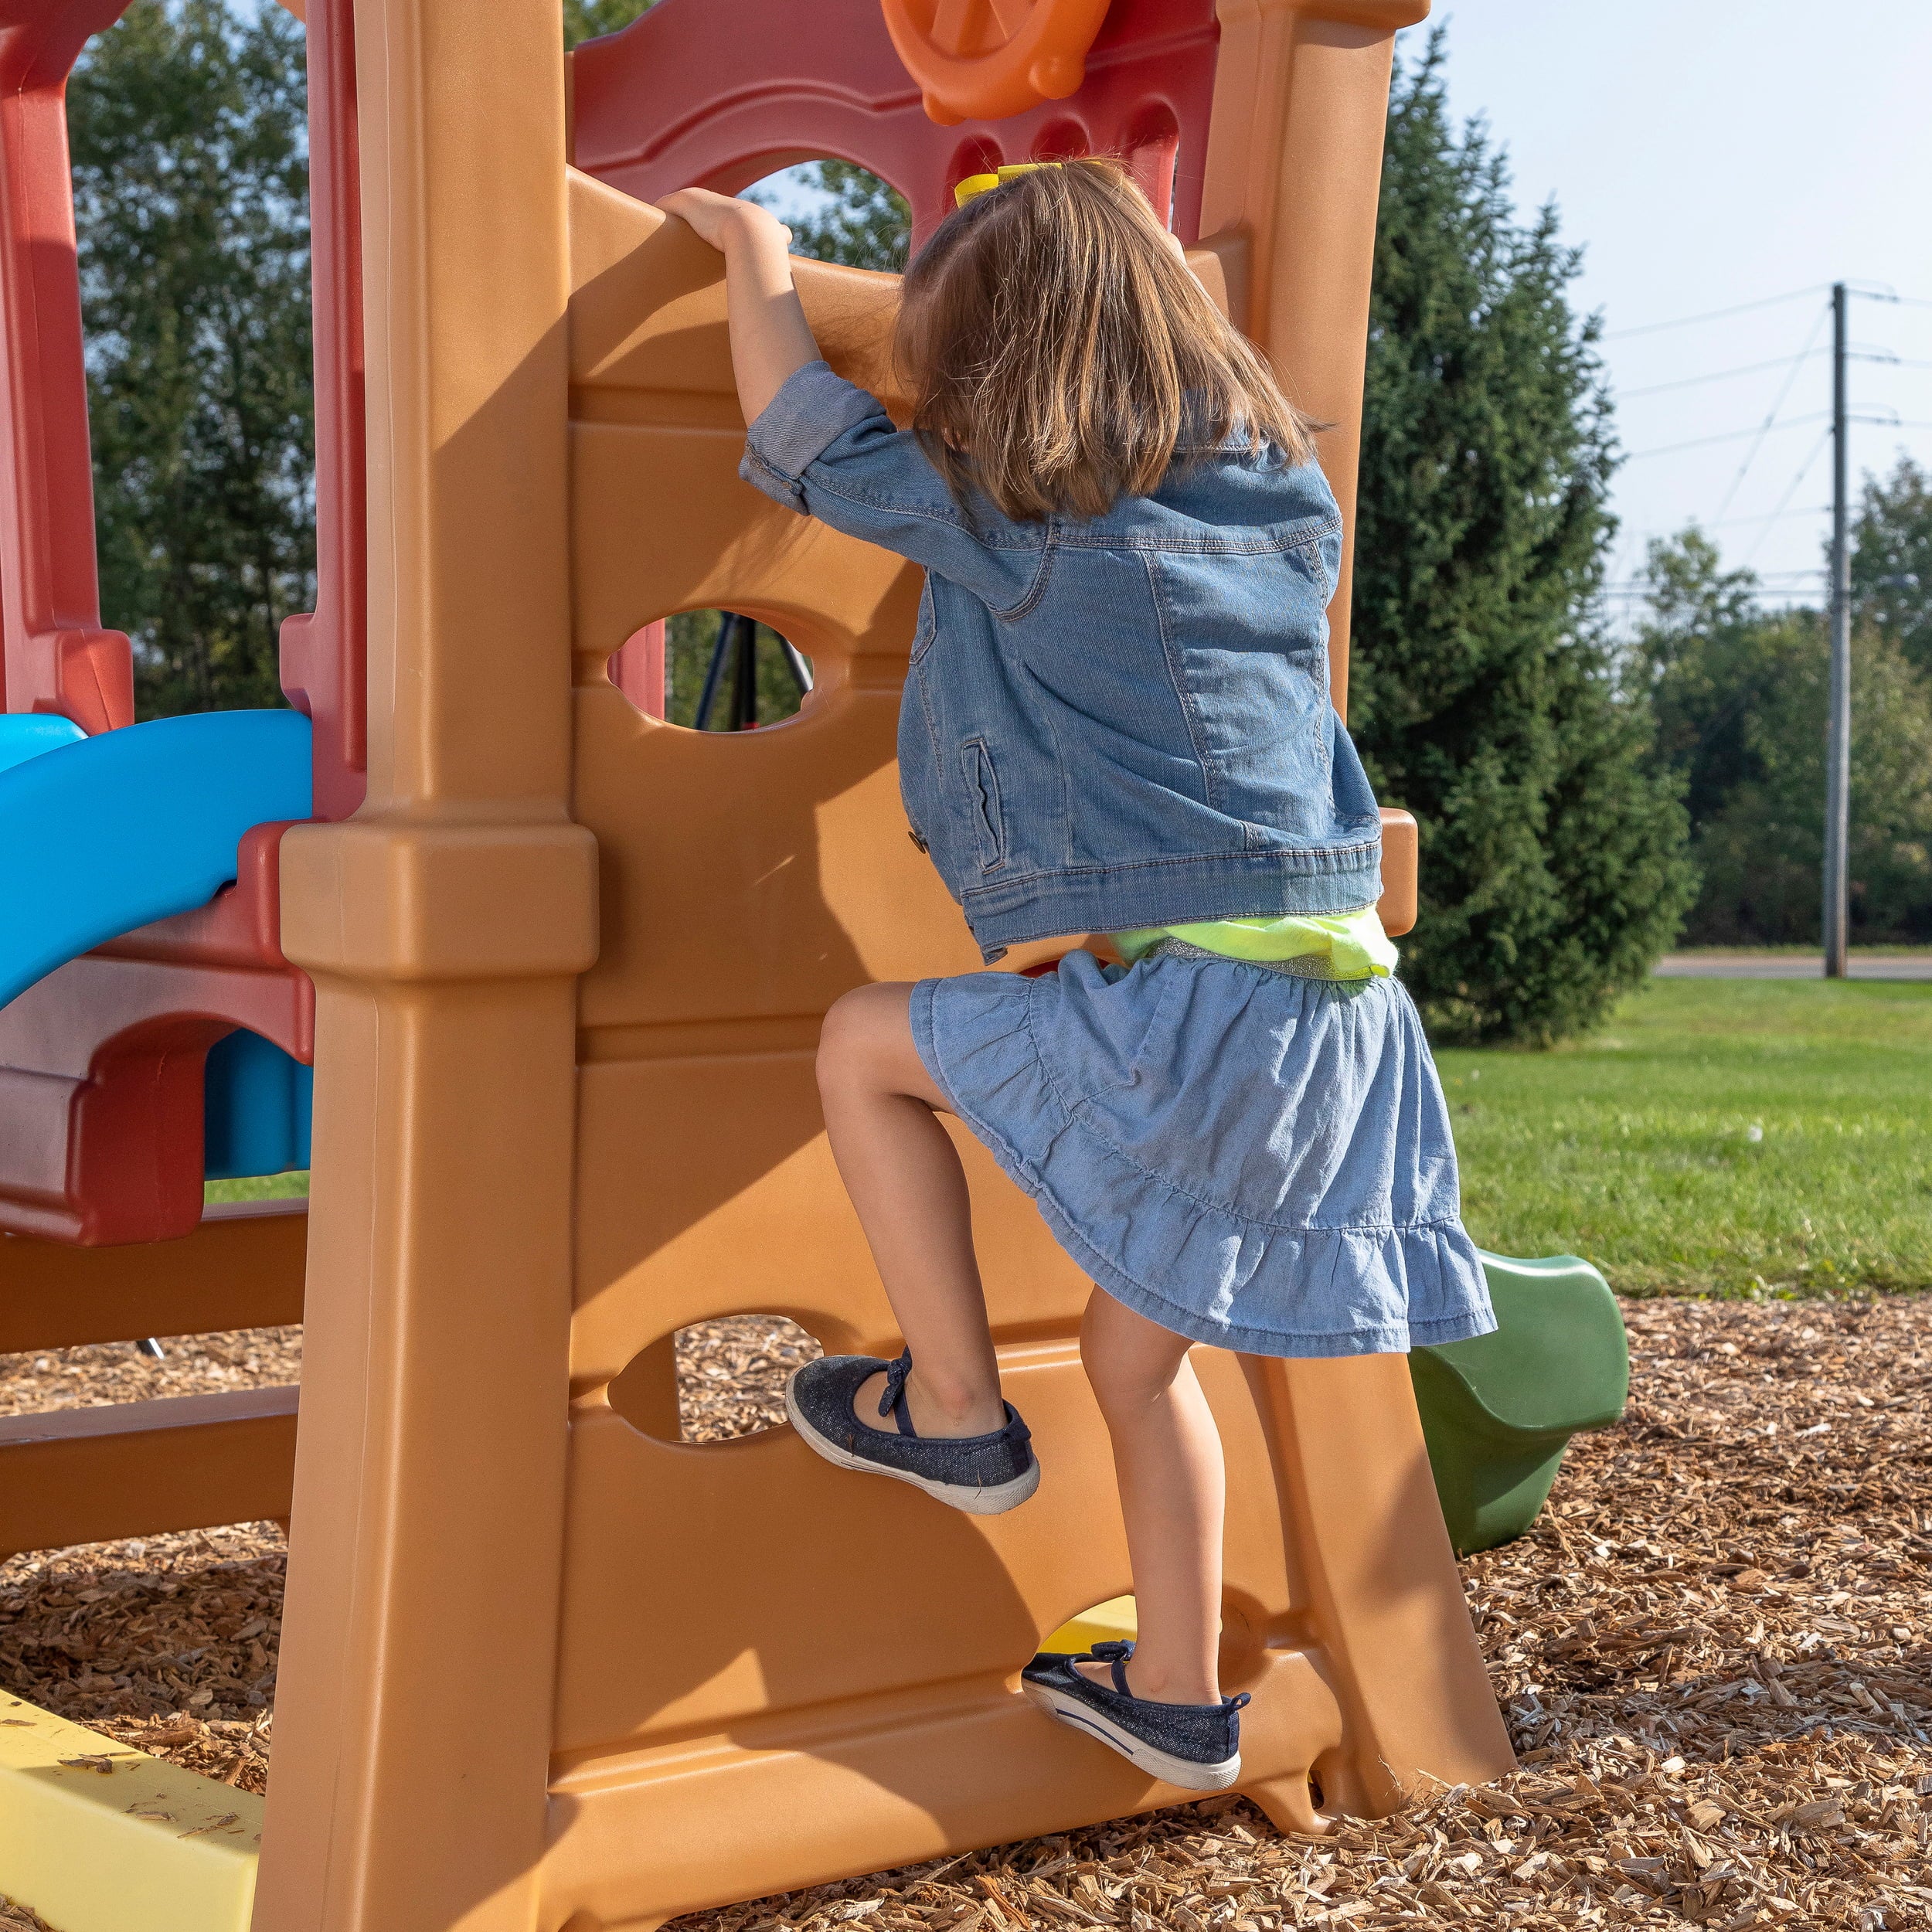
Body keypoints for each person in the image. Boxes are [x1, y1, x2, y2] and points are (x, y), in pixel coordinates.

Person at [657, 159, 1495, 1794]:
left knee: (857, 1043)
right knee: (1136, 1357)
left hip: (1194, 1011)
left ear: (997, 379)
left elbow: (803, 426)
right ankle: (1175, 1695)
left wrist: (755, 251)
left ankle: (953, 1400)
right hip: (1337, 1020)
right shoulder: (1279, 505)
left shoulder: (1022, 525)